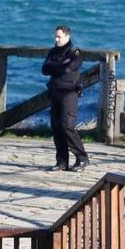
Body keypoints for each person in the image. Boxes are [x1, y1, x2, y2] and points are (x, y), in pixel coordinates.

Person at [42, 24, 89, 171]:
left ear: (67, 37)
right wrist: (60, 65)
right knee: (56, 127)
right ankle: (62, 161)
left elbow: (70, 67)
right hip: (55, 91)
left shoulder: (75, 52)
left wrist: (57, 66)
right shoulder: (53, 52)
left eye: (59, 37)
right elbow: (44, 69)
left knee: (67, 126)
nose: (56, 39)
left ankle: (82, 158)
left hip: (69, 92)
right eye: (55, 36)